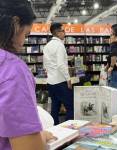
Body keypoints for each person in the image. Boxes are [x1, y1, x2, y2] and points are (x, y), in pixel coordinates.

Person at [0, 0, 56, 150]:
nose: (23, 42)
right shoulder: (12, 70)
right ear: (15, 24)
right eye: (26, 34)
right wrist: (42, 136)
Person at [43, 23, 74, 125]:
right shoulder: (60, 46)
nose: (64, 33)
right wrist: (68, 79)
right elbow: (61, 65)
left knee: (55, 107)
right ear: (57, 32)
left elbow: (45, 65)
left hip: (51, 82)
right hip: (60, 82)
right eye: (63, 31)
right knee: (70, 107)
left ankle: (55, 129)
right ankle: (67, 130)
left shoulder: (47, 46)